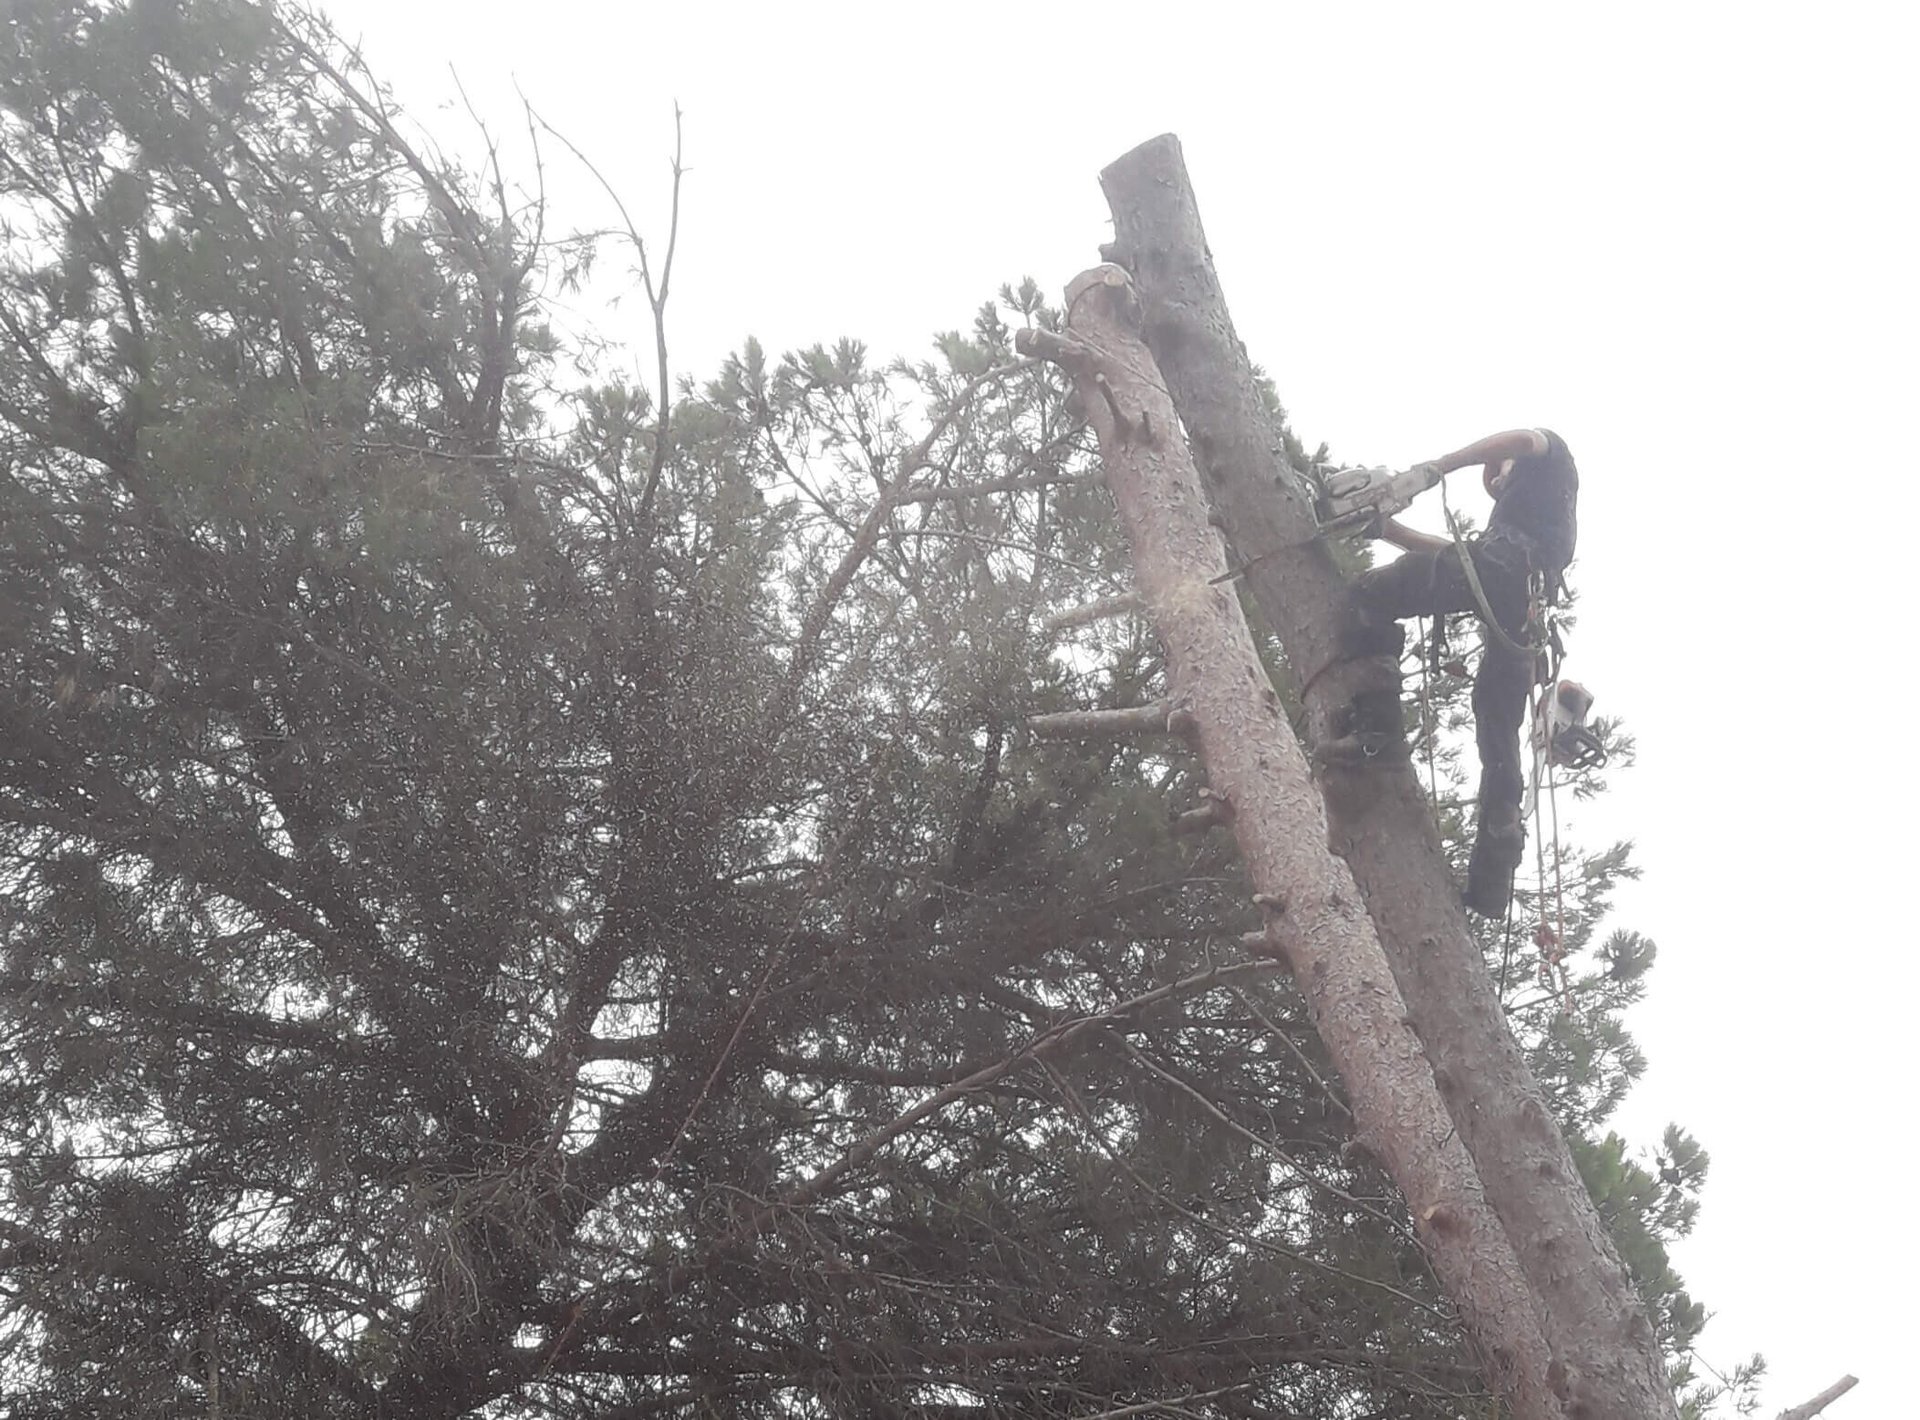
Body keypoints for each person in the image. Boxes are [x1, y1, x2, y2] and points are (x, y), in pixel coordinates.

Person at [1345, 428, 1579, 917]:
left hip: (1507, 580)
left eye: (1505, 470)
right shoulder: (1528, 520)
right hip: (1522, 610)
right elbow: (1460, 560)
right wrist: (1383, 529)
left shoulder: (1553, 462)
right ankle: (1493, 877)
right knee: (1497, 727)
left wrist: (1441, 466)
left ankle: (1378, 732)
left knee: (1370, 594)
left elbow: (1519, 439)